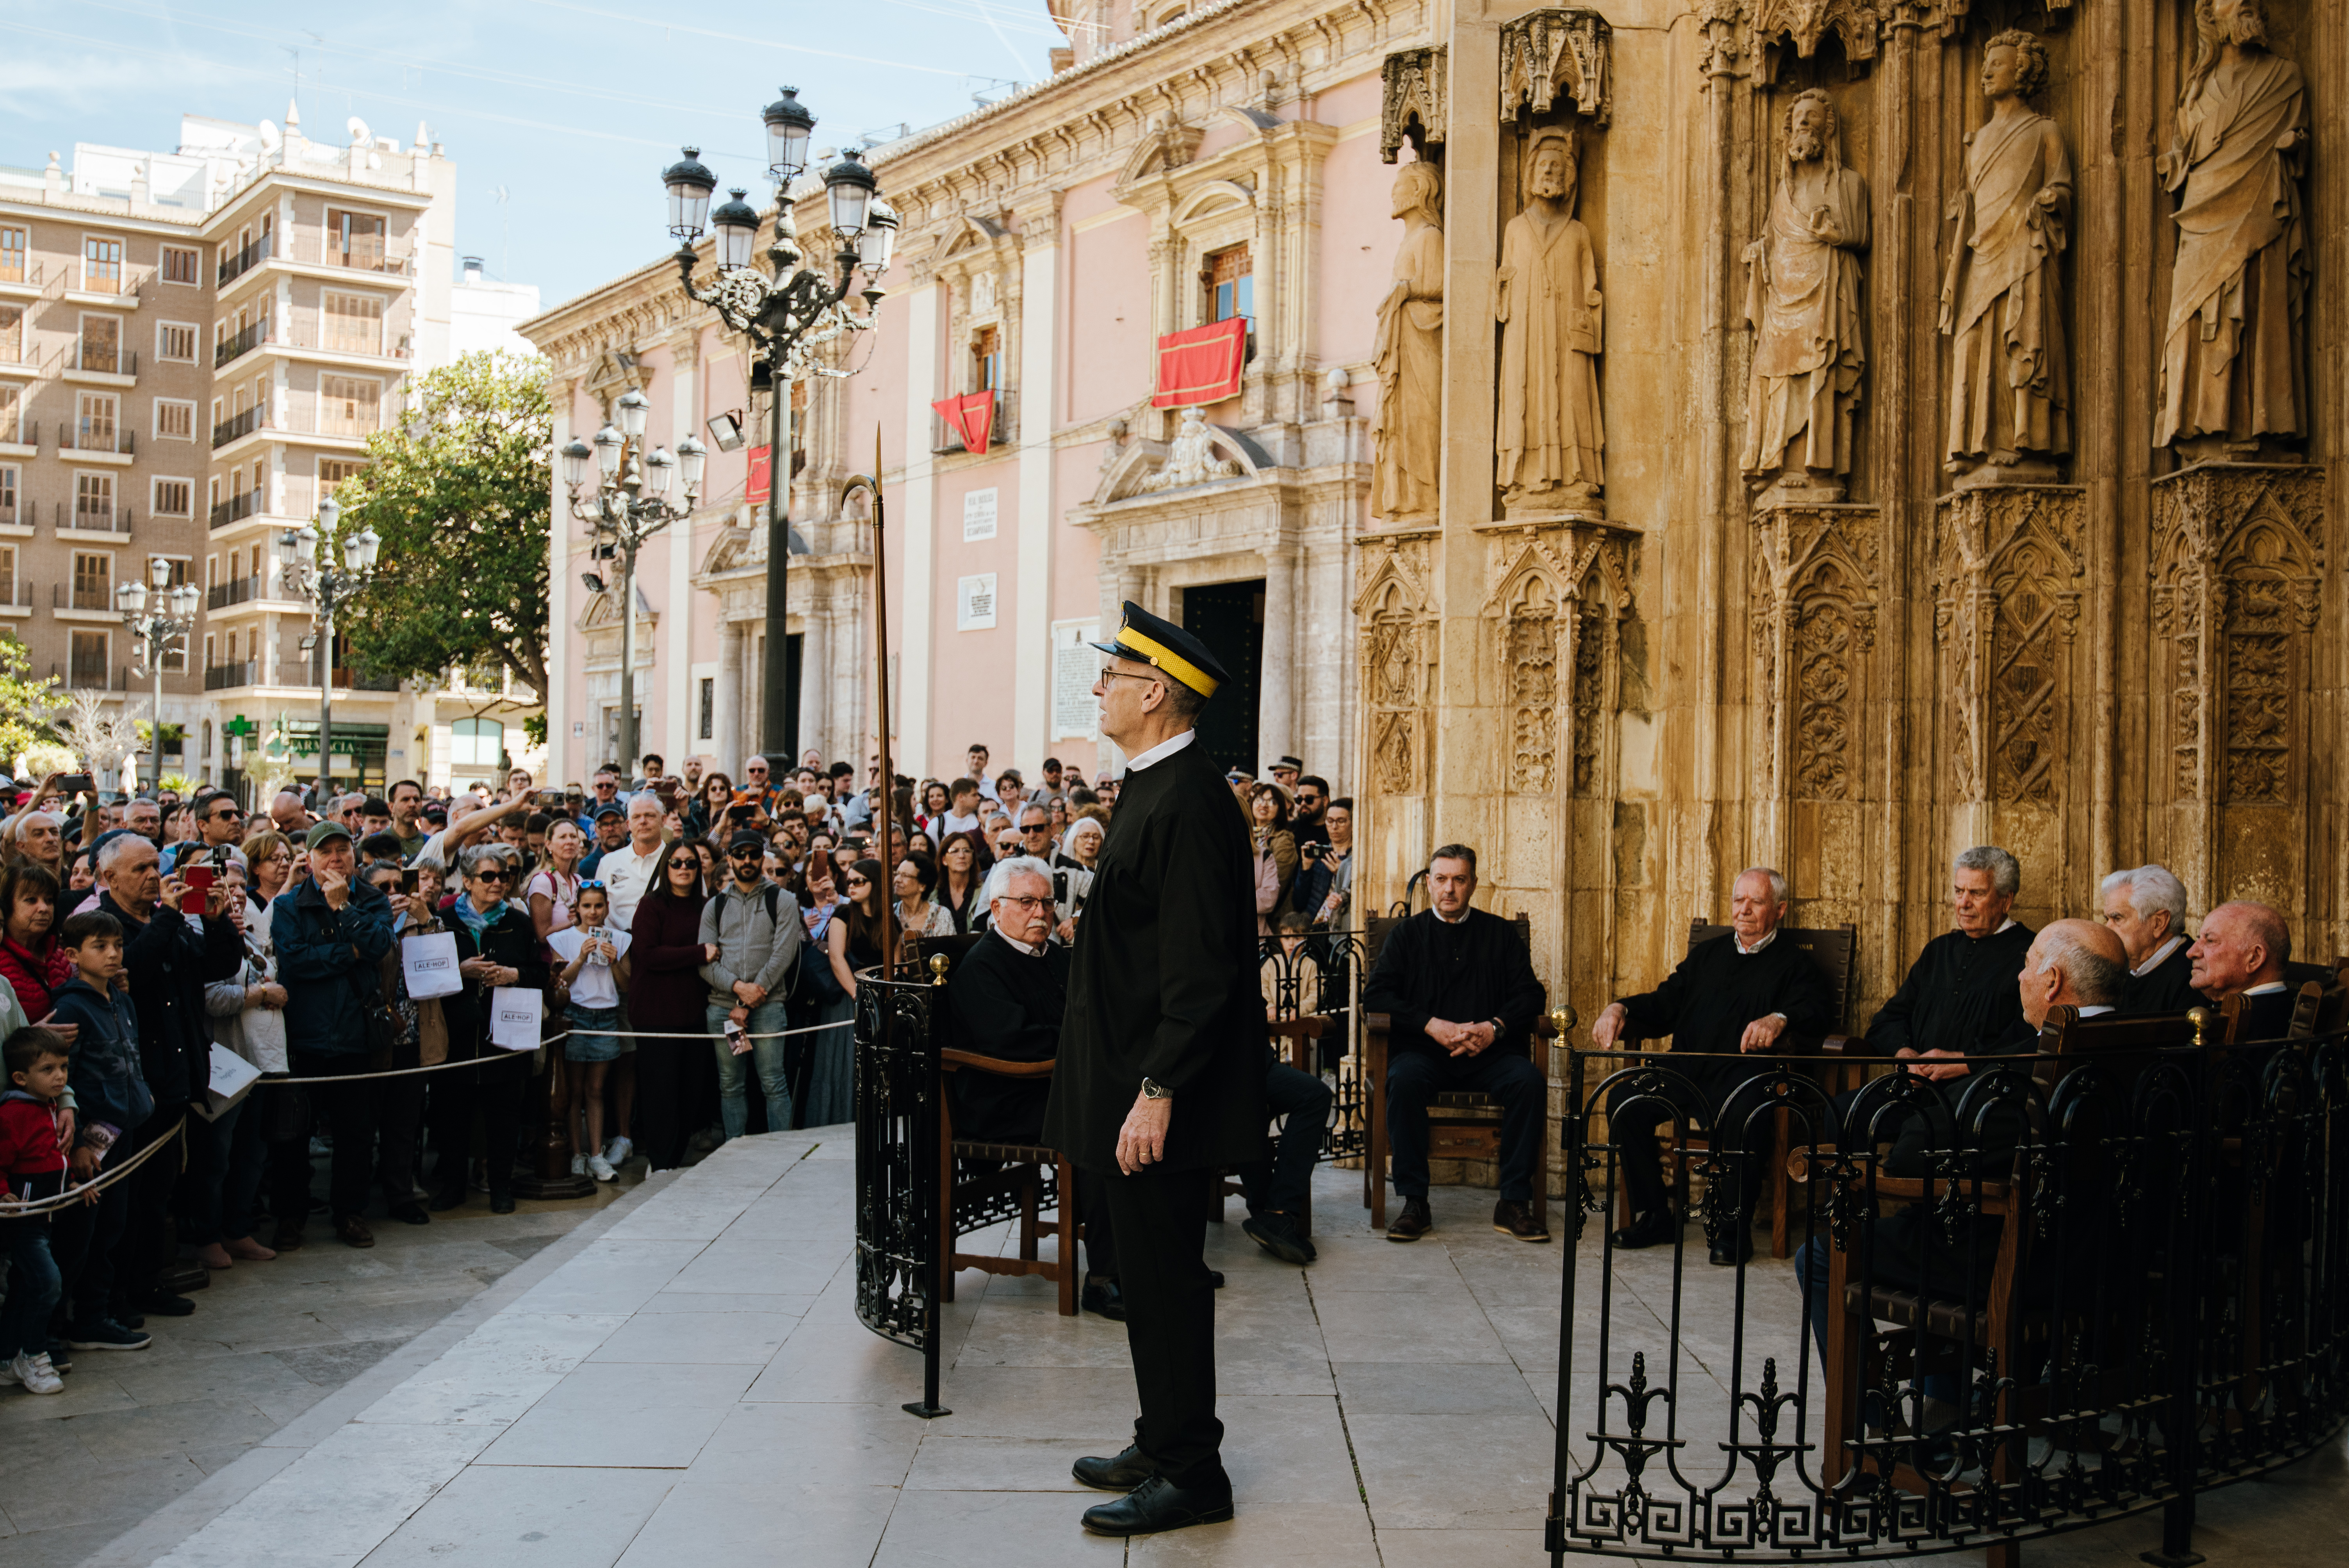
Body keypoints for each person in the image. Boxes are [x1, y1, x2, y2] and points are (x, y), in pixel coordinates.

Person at [1046, 602, 1267, 1538]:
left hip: (1155, 1094)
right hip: (1126, 1080)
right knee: (1143, 1271)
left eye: (1110, 674)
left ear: (1155, 691)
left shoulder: (1184, 801)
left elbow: (1199, 969)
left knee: (1168, 1278)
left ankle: (1191, 1475)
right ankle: (1162, 1432)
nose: (1096, 687)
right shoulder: (1150, 783)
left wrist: (1158, 1090)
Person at [1797, 919, 2128, 1371]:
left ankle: (1876, 1419)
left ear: (2052, 982)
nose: (2019, 976)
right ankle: (1945, 1404)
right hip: (2104, 1254)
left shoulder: (2038, 1067)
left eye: (2028, 964)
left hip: (2017, 1264)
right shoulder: (2136, 1043)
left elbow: (1910, 1159)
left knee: (1820, 1254)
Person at [1592, 867, 1837, 1266]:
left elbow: (1815, 1011)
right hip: (1689, 1069)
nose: (1744, 910)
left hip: (1745, 1075)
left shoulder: (1795, 964)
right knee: (1625, 1099)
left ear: (1779, 909)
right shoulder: (1708, 954)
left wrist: (1778, 1018)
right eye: (1738, 900)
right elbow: (1665, 1001)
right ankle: (1655, 1214)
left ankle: (1730, 1226)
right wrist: (1620, 1007)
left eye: (1756, 902)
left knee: (1744, 1112)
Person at [946, 857, 1121, 1306]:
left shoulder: (1055, 956)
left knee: (1142, 1111)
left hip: (1052, 1084)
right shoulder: (983, 964)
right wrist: (1087, 1048)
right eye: (1027, 902)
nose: (1041, 912)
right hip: (1002, 1097)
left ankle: (1143, 1255)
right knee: (1102, 1123)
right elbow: (1013, 1042)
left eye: (1046, 901)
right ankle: (1104, 1278)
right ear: (996, 907)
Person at [1361, 845, 1550, 1244]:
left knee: (1528, 1081)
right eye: (1441, 879)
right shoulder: (1406, 935)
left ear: (1473, 885)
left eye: (1459, 880)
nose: (1450, 889)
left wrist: (1493, 1027)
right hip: (1424, 1052)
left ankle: (1513, 1201)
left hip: (1491, 1053)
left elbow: (1531, 995)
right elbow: (1376, 995)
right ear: (1428, 884)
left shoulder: (1499, 934)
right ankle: (1414, 1201)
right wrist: (1431, 1025)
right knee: (1404, 1079)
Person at [98, 831, 240, 1314]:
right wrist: (168, 914)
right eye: (139, 870)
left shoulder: (172, 922)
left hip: (177, 1077)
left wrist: (217, 923)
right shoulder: (107, 924)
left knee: (158, 1194)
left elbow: (216, 965)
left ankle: (146, 1282)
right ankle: (113, 1296)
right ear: (107, 877)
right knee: (126, 1200)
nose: (151, 877)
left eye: (153, 868)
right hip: (133, 1085)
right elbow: (134, 971)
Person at [271, 821, 398, 1249]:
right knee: (294, 1135)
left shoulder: (372, 899)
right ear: (309, 860)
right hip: (305, 1037)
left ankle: (351, 1213)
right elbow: (294, 962)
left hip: (356, 1035)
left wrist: (345, 909)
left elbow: (380, 944)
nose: (336, 858)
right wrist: (349, 953)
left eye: (343, 849)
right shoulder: (290, 904)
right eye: (325, 851)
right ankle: (290, 1214)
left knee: (356, 1133)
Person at [48, 911, 151, 1352]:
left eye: (117, 945)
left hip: (124, 1130)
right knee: (77, 1236)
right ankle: (53, 1327)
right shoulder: (69, 1006)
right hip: (89, 1139)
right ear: (72, 955)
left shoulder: (122, 1000)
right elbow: (65, 1077)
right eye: (100, 946)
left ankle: (95, 1315)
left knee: (112, 1227)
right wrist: (82, 1145)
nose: (112, 954)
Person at [433, 846, 547, 1214]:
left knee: (504, 1116)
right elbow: (423, 976)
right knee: (453, 1116)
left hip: (506, 1035)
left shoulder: (519, 922)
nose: (498, 883)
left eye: (504, 877)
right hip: (458, 1032)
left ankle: (501, 1186)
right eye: (488, 876)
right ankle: (453, 1186)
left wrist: (515, 975)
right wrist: (459, 972)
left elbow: (541, 974)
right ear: (466, 881)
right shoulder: (444, 920)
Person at [1860, 847, 2035, 1071]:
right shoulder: (1939, 950)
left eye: (1977, 893)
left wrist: (1965, 1062)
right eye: (1959, 891)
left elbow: (2029, 1037)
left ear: (2006, 900)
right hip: (1914, 1087)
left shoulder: (2032, 954)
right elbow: (1888, 1020)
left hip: (1979, 1092)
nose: (1964, 902)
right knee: (1842, 1106)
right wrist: (1904, 1054)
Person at [700, 829, 803, 1140]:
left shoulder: (783, 900)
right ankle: (735, 1151)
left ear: (763, 857)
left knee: (774, 1083)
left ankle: (781, 1153)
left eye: (754, 854)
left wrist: (749, 999)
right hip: (723, 1009)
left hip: (768, 1006)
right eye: (741, 854)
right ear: (729, 858)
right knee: (730, 1085)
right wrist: (737, 989)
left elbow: (784, 954)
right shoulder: (714, 906)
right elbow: (704, 961)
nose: (747, 860)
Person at [627, 843, 711, 1174]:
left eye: (691, 863)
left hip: (693, 1012)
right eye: (676, 862)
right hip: (655, 1013)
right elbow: (647, 955)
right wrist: (699, 953)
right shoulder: (651, 905)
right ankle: (660, 1163)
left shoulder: (707, 907)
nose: (684, 868)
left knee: (689, 1090)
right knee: (660, 1091)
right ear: (666, 866)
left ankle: (675, 1158)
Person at [0, 1025, 73, 1393]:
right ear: (20, 1077)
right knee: (46, 1284)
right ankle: (34, 1354)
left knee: (23, 1287)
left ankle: (7, 1357)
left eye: (63, 1067)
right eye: (48, 1070)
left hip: (46, 1216)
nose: (59, 1076)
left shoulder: (45, 1105)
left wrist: (71, 1183)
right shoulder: (14, 1113)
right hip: (25, 1219)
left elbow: (49, 1158)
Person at [552, 882, 632, 1181]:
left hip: (607, 1016)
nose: (594, 912)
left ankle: (597, 1155)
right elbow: (560, 983)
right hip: (575, 1016)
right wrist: (581, 957)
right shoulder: (563, 939)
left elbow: (626, 985)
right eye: (587, 906)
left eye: (599, 906)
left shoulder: (621, 940)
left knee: (596, 1090)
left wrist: (612, 961)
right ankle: (577, 1154)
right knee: (573, 1091)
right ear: (578, 909)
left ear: (607, 908)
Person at [2187, 899, 2297, 1041]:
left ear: (2254, 958)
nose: (2191, 952)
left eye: (2210, 941)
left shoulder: (2258, 1028)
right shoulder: (2270, 1012)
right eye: (2198, 939)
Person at [2101, 864, 2197, 1014]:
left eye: (2117, 918)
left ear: (2159, 923)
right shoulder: (2121, 968)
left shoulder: (2192, 976)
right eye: (2107, 919)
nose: (2107, 929)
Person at [1290, 798, 1353, 929]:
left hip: (1344, 927)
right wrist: (1306, 867)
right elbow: (1299, 902)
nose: (1334, 827)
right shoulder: (1320, 855)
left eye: (1341, 821)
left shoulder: (1357, 858)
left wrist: (1340, 873)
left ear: (1353, 823)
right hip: (1316, 927)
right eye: (1330, 821)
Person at [1246, 784, 1297, 935]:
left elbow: (1276, 886)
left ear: (1281, 810)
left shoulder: (1284, 840)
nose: (1264, 805)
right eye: (1260, 799)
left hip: (1270, 919)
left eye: (1272, 802)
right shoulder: (1242, 833)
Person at [528, 820, 586, 940]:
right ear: (549, 844)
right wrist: (575, 922)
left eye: (573, 836)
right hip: (555, 956)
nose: (569, 841)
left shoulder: (578, 880)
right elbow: (543, 936)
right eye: (562, 837)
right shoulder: (543, 882)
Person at [892, 852, 957, 938]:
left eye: (905, 875)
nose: (897, 880)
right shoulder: (890, 913)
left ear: (922, 886)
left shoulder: (941, 916)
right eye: (897, 874)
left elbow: (948, 951)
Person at [937, 830, 987, 934]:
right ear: (944, 860)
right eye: (954, 851)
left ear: (973, 858)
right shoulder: (933, 895)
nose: (961, 856)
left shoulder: (985, 892)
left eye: (967, 851)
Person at [579, 804, 627, 876]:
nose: (610, 829)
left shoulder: (639, 858)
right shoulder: (586, 868)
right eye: (604, 825)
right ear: (596, 831)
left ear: (627, 825)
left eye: (616, 823)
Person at [387, 780, 428, 860]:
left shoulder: (430, 844)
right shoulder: (374, 843)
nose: (412, 804)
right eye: (405, 799)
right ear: (392, 807)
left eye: (416, 800)